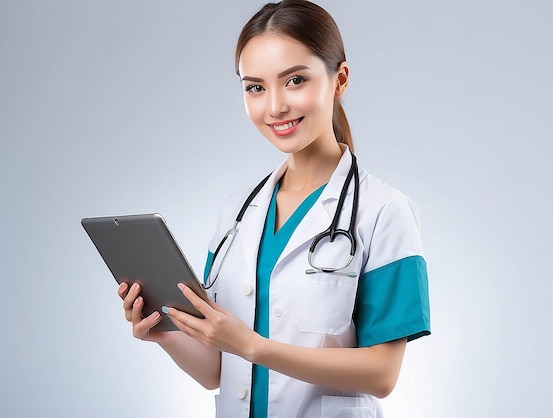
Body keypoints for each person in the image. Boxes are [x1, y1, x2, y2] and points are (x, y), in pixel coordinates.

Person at [117, 1, 430, 417]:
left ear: (340, 80)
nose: (275, 107)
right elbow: (219, 371)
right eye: (255, 87)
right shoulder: (235, 215)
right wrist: (166, 335)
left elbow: (382, 374)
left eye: (295, 80)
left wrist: (250, 345)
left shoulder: (384, 211)